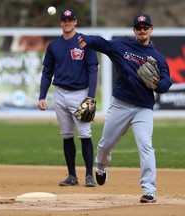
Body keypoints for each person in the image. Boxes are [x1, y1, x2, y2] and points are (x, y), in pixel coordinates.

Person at [78, 13, 172, 202]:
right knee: (106, 144)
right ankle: (101, 166)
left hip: (143, 108)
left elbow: (166, 83)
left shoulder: (158, 58)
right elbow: (102, 43)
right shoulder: (122, 46)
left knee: (146, 146)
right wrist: (87, 40)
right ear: (134, 30)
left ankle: (149, 190)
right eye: (139, 27)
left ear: (151, 30)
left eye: (146, 27)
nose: (142, 30)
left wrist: (157, 84)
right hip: (120, 104)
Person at [38, 8, 99, 187]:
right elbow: (47, 72)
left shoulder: (83, 42)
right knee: (66, 135)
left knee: (85, 134)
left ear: (75, 21)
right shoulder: (54, 45)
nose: (67, 23)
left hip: (80, 93)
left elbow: (93, 70)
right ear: (60, 23)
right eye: (64, 20)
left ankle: (89, 175)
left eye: (70, 20)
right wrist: (42, 95)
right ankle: (72, 176)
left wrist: (91, 96)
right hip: (60, 93)